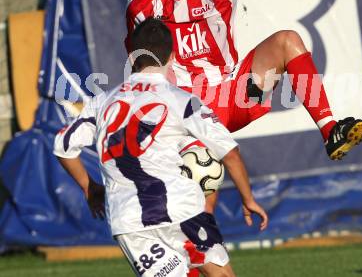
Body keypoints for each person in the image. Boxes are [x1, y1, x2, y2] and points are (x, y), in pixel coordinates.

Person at [125, 0, 362, 163]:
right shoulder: (141, 8)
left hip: (236, 94)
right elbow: (142, 70)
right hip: (190, 112)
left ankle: (330, 131)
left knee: (287, 41)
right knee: (203, 180)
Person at [54, 17, 268, 277]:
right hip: (182, 208)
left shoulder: (101, 102)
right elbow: (231, 155)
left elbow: (64, 146)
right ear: (172, 57)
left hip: (130, 221)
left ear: (132, 56)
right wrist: (248, 199)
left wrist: (89, 187)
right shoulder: (183, 100)